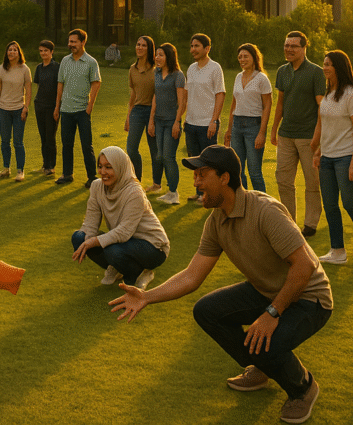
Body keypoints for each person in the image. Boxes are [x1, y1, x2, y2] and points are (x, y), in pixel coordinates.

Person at [110, 145, 332, 425]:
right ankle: (263, 366)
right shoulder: (217, 221)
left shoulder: (265, 211)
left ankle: (303, 388)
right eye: (196, 175)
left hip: (309, 299)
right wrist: (146, 296)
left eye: (202, 174)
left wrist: (272, 314)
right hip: (267, 291)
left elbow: (305, 266)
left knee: (264, 342)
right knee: (207, 310)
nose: (196, 181)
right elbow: (192, 275)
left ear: (225, 178)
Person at [311, 50, 353, 266]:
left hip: (345, 157)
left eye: (329, 64)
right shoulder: (329, 92)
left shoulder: (352, 94)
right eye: (324, 64)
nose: (325, 67)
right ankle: (337, 251)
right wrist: (318, 151)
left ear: (339, 66)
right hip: (327, 158)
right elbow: (325, 125)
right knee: (330, 206)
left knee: (349, 203)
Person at [71, 146, 169, 290]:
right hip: (124, 241)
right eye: (100, 166)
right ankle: (116, 267)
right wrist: (86, 239)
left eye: (109, 167)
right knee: (79, 237)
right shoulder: (97, 186)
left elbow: (124, 232)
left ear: (120, 167)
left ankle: (140, 272)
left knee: (112, 250)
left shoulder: (134, 192)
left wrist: (94, 241)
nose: (103, 172)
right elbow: (90, 223)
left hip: (152, 245)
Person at [271, 31, 326, 237]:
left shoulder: (316, 72)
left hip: (308, 136)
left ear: (304, 48)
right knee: (283, 180)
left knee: (312, 181)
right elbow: (281, 103)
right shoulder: (282, 71)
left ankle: (310, 223)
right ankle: (289, 222)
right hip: (286, 135)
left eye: (294, 46)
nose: (289, 49)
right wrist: (274, 129)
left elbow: (322, 106)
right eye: (287, 45)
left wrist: (318, 137)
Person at [54, 29, 101, 188]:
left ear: (83, 42)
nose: (70, 45)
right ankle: (67, 174)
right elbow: (60, 84)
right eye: (70, 42)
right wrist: (57, 107)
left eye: (74, 42)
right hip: (66, 110)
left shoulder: (91, 62)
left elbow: (96, 83)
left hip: (82, 111)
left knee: (86, 144)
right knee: (66, 144)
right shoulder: (65, 61)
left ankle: (92, 177)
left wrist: (89, 106)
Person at [224, 43, 272, 193]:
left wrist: (261, 133)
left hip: (254, 126)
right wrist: (229, 129)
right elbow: (234, 104)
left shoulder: (262, 79)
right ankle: (242, 202)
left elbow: (267, 106)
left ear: (254, 57)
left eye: (245, 56)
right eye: (240, 57)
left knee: (254, 171)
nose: (242, 59)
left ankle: (263, 206)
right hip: (237, 125)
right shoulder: (238, 77)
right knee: (237, 170)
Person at [184, 33, 226, 203]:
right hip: (191, 123)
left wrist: (214, 120)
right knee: (196, 162)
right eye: (192, 46)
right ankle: (199, 193)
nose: (193, 49)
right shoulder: (191, 68)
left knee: (209, 163)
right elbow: (187, 95)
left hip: (207, 124)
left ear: (207, 49)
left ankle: (211, 194)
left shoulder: (215, 68)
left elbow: (220, 94)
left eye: (197, 46)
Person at [147, 43, 186, 205]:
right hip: (159, 121)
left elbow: (182, 101)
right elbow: (156, 97)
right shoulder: (156, 73)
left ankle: (174, 193)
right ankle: (169, 192)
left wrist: (177, 122)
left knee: (169, 157)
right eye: (156, 54)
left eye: (161, 55)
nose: (157, 57)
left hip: (171, 122)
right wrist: (151, 121)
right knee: (161, 156)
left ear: (169, 56)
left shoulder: (178, 75)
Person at [0, 41, 32, 182]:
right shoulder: (2, 68)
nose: (11, 52)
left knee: (18, 142)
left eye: (14, 50)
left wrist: (25, 107)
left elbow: (28, 89)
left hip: (18, 110)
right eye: (9, 50)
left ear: (18, 52)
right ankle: (6, 169)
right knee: (5, 141)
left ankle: (20, 171)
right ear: (6, 53)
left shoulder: (24, 69)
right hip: (3, 109)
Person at [125, 35, 157, 188]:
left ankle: (156, 184)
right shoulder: (132, 69)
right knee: (131, 149)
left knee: (154, 150)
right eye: (138, 44)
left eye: (143, 45)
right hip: (137, 111)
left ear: (149, 49)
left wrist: (153, 117)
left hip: (154, 112)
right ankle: (136, 181)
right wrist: (128, 116)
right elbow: (133, 94)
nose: (139, 47)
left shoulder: (157, 68)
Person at [34, 40, 59, 176]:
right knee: (43, 137)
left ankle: (51, 166)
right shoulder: (39, 68)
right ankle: (45, 165)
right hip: (40, 106)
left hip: (52, 108)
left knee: (50, 137)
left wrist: (57, 107)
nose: (43, 53)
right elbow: (38, 86)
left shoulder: (57, 67)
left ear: (51, 52)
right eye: (41, 51)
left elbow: (60, 88)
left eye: (46, 51)